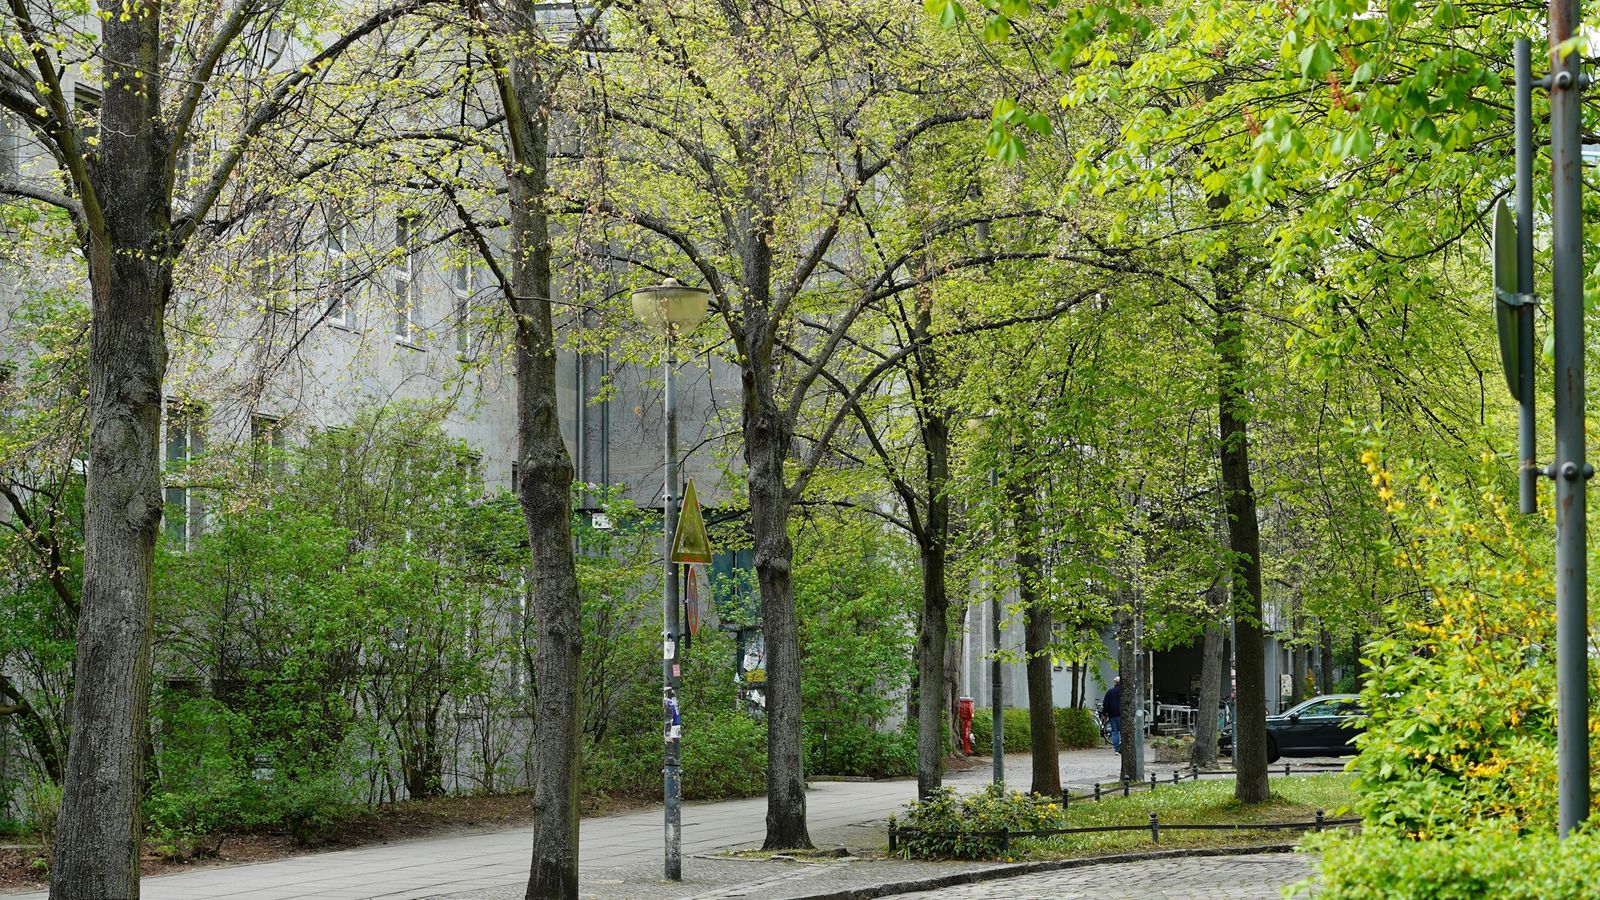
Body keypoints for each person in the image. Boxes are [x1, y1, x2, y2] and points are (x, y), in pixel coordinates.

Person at [1103, 677, 1122, 753]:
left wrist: (1105, 713)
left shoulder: (1110, 692)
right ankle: (1123, 747)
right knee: (1123, 731)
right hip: (1123, 714)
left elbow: (1106, 703)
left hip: (1113, 714)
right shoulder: (1124, 692)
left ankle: (1116, 749)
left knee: (1115, 732)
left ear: (1115, 683)